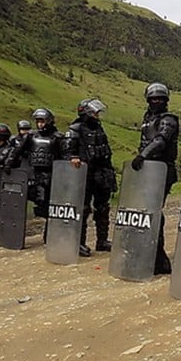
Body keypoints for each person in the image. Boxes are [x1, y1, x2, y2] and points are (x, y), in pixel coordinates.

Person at [131, 83, 179, 275]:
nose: (156, 102)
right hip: (148, 170)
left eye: (160, 99)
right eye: (153, 99)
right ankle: (150, 254)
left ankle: (160, 259)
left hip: (162, 169)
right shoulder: (147, 119)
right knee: (145, 212)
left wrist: (143, 155)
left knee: (154, 212)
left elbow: (160, 140)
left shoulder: (169, 120)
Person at [66, 98, 118, 257]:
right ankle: (79, 242)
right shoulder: (75, 128)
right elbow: (67, 149)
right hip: (85, 174)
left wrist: (110, 173)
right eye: (95, 113)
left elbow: (105, 151)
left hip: (101, 172)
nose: (97, 115)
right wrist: (73, 157)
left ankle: (102, 241)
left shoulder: (99, 128)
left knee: (103, 207)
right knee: (83, 208)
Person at [5, 108, 64, 237]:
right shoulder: (31, 136)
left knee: (52, 205)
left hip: (53, 174)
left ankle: (50, 233)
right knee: (37, 201)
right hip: (35, 174)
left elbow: (64, 156)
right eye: (38, 121)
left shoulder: (58, 137)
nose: (40, 124)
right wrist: (9, 164)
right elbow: (17, 150)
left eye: (42, 121)